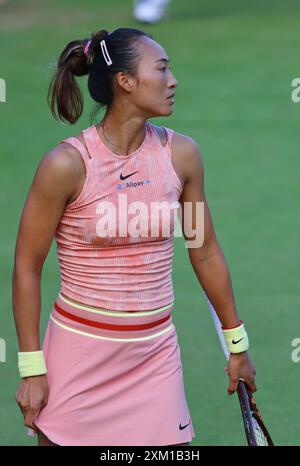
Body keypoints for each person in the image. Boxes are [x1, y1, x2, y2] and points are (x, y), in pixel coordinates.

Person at [12, 27, 256, 447]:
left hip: (153, 359)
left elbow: (204, 251)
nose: (173, 80)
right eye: (161, 69)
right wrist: (32, 368)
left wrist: (237, 344)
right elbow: (27, 266)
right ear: (125, 81)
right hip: (78, 360)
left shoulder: (180, 157)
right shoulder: (67, 166)